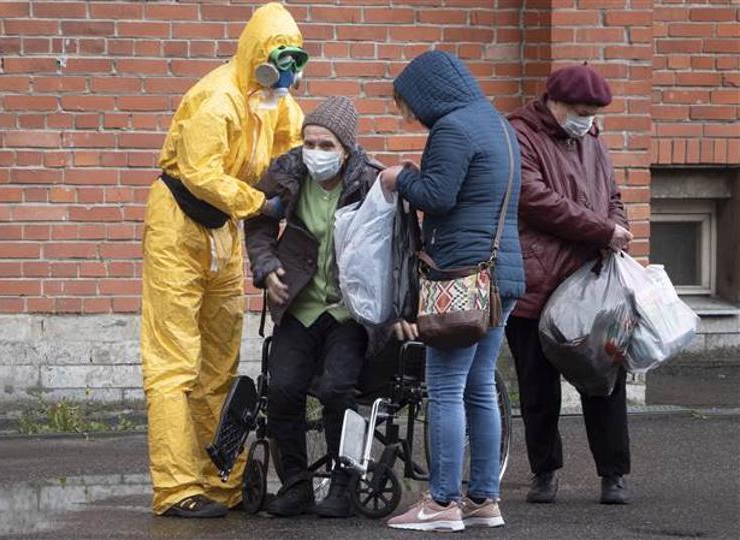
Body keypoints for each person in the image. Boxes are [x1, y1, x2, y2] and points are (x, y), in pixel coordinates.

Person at [140, 3, 307, 518]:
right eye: (283, 59)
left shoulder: (271, 101)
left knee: (220, 362)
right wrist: (262, 203)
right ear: (260, 55)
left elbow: (299, 142)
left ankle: (222, 480)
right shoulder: (218, 101)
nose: (290, 73)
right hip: (178, 226)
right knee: (174, 362)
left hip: (222, 231)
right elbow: (200, 173)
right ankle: (176, 488)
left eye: (296, 61)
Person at [380, 51, 525, 532]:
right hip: (502, 277)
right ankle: (484, 499)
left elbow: (437, 195)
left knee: (444, 388)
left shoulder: (452, 130)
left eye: (410, 106)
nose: (412, 117)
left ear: (428, 95)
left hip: (461, 279)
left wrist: (401, 177)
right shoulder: (500, 126)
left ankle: (442, 503)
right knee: (480, 386)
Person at [245, 96, 383, 518]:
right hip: (299, 301)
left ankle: (344, 482)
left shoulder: (369, 182)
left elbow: (393, 245)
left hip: (348, 308)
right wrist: (267, 269)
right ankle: (296, 483)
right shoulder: (287, 174)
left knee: (337, 389)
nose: (316, 153)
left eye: (327, 145)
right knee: (283, 387)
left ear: (346, 148)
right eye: (311, 143)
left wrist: (396, 312)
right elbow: (259, 221)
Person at [504, 64, 634, 506]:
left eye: (593, 113)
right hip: (535, 280)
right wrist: (602, 231)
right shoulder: (519, 134)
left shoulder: (591, 139)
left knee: (605, 379)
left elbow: (612, 196)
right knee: (537, 387)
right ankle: (545, 472)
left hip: (591, 284)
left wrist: (616, 227)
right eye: (580, 111)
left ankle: (613, 474)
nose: (587, 120)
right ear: (553, 102)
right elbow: (535, 198)